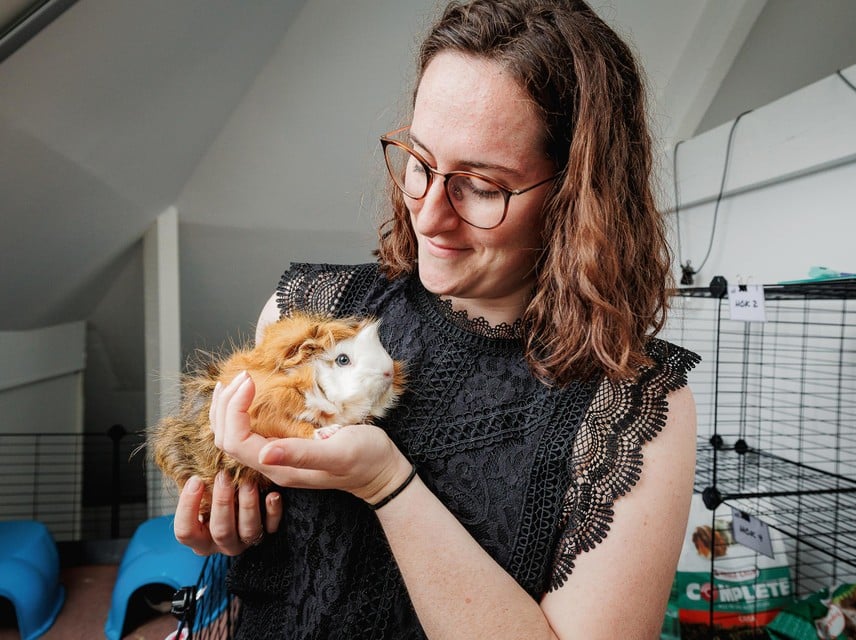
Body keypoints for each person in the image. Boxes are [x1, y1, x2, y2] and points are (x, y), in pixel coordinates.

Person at [173, 1, 700, 638]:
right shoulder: (307, 313)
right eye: (421, 163)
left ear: (578, 195)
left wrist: (389, 485)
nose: (427, 215)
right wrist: (227, 527)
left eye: (480, 186)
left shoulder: (630, 406)